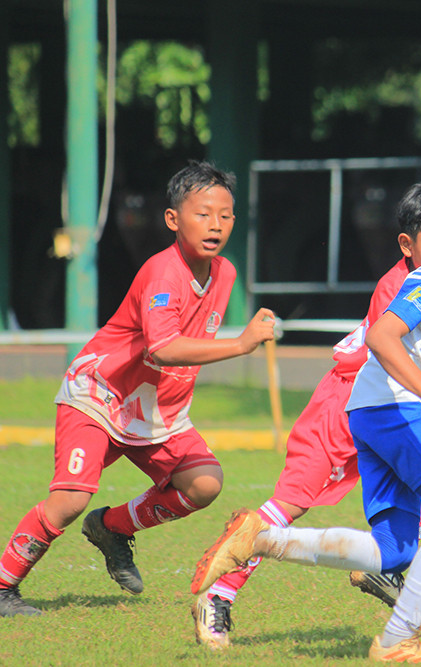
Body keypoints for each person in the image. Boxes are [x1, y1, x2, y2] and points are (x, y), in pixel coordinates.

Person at [191, 160, 421, 665]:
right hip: (383, 406)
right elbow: (384, 337)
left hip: (386, 409)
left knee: (393, 551)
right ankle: (396, 641)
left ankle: (262, 540)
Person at [0, 161, 276, 617]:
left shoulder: (225, 273)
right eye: (203, 214)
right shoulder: (163, 273)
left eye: (225, 216)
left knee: (203, 484)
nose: (216, 225)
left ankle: (111, 528)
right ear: (173, 219)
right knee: (69, 500)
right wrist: (241, 344)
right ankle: (4, 586)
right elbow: (164, 348)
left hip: (157, 410)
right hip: (101, 396)